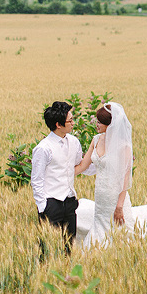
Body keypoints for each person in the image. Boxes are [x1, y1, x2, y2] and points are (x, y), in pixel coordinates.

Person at [31, 101, 94, 254]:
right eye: (70, 120)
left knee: (69, 246)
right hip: (51, 203)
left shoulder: (74, 142)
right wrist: (43, 206)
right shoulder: (43, 148)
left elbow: (78, 166)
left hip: (70, 201)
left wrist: (102, 164)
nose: (73, 123)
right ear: (58, 125)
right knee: (47, 249)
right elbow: (36, 180)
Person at [75, 102, 134, 246]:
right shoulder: (96, 140)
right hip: (101, 195)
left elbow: (125, 178)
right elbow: (83, 165)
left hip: (116, 196)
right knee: (100, 226)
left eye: (100, 122)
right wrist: (61, 174)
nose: (96, 124)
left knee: (119, 229)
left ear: (110, 124)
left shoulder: (124, 147)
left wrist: (119, 206)